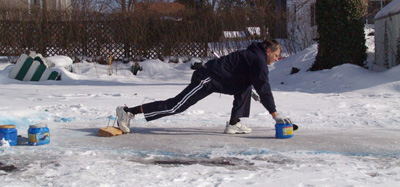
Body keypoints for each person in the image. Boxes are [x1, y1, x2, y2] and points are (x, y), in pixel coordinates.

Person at [116, 40, 293, 134]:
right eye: (276, 55)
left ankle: (234, 123)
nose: (277, 59)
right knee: (176, 106)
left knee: (245, 86)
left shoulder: (255, 56)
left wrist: (254, 90)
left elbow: (254, 82)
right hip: (207, 78)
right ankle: (128, 111)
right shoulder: (259, 60)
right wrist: (275, 115)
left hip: (218, 79)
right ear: (268, 51)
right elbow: (264, 87)